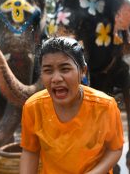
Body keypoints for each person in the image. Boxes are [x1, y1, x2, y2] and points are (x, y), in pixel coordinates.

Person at [20, 36, 124, 174]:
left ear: (82, 71)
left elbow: (115, 149)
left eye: (65, 69)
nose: (56, 78)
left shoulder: (105, 107)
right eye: (48, 70)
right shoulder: (33, 107)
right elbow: (30, 152)